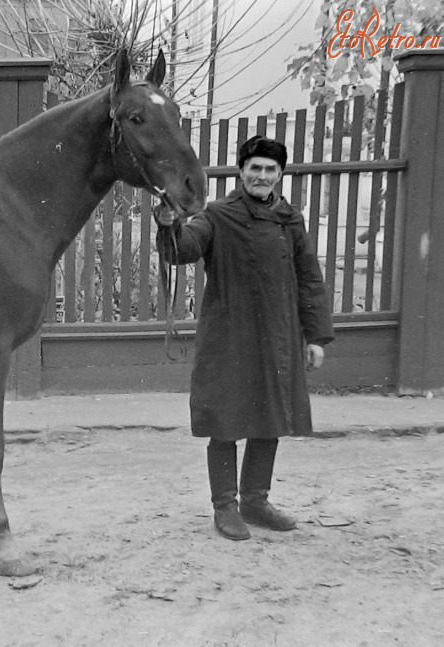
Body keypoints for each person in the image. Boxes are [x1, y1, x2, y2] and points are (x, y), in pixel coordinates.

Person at [156, 135, 334, 541]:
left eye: (271, 169)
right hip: (230, 336)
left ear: (280, 175)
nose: (262, 176)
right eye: (255, 168)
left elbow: (309, 279)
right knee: (226, 418)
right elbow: (183, 248)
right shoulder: (218, 215)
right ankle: (226, 507)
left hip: (279, 335)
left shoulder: (291, 219)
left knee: (269, 418)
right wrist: (169, 226)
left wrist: (316, 337)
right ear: (241, 171)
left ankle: (255, 500)